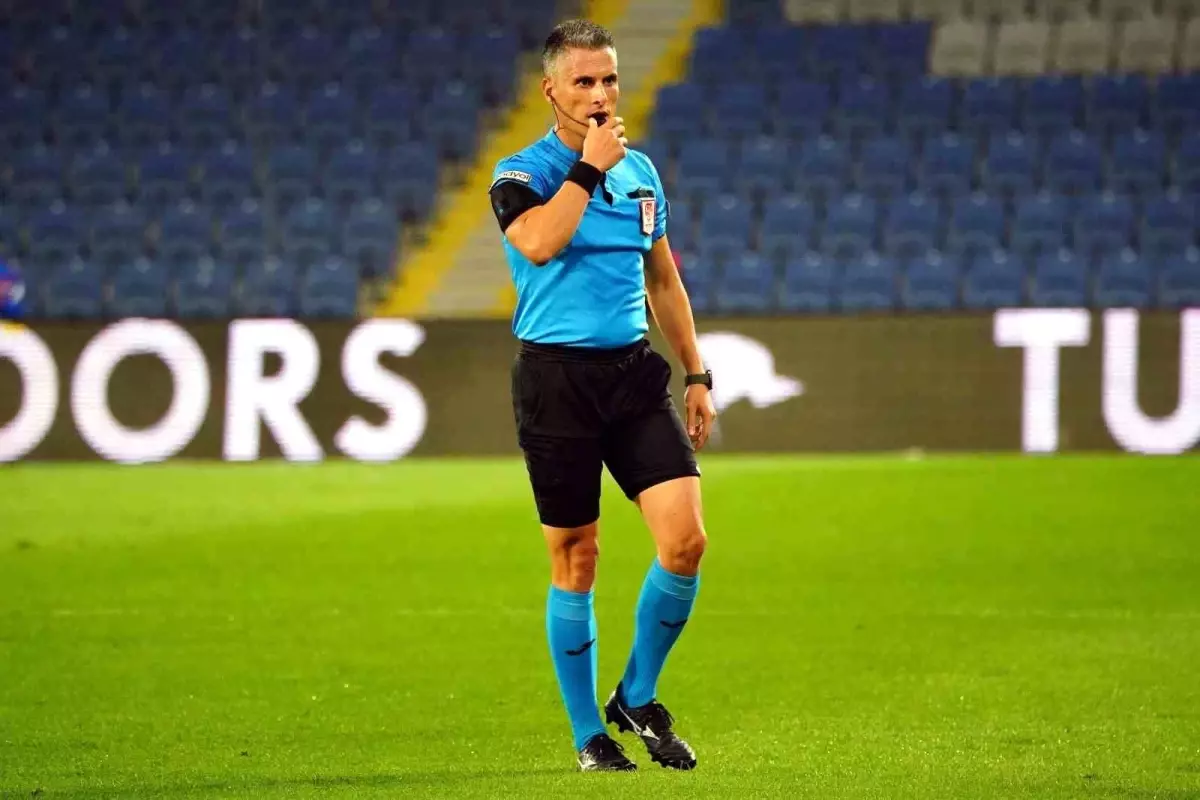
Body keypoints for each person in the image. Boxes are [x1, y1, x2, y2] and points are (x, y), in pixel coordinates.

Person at [487, 19, 717, 773]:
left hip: (632, 375)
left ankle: (637, 696)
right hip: (556, 381)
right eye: (583, 81)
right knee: (577, 556)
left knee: (685, 542)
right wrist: (587, 168)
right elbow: (538, 243)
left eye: (609, 79)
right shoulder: (519, 174)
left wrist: (696, 373)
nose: (599, 94)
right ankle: (590, 734)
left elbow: (663, 281)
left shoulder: (640, 173)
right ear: (550, 90)